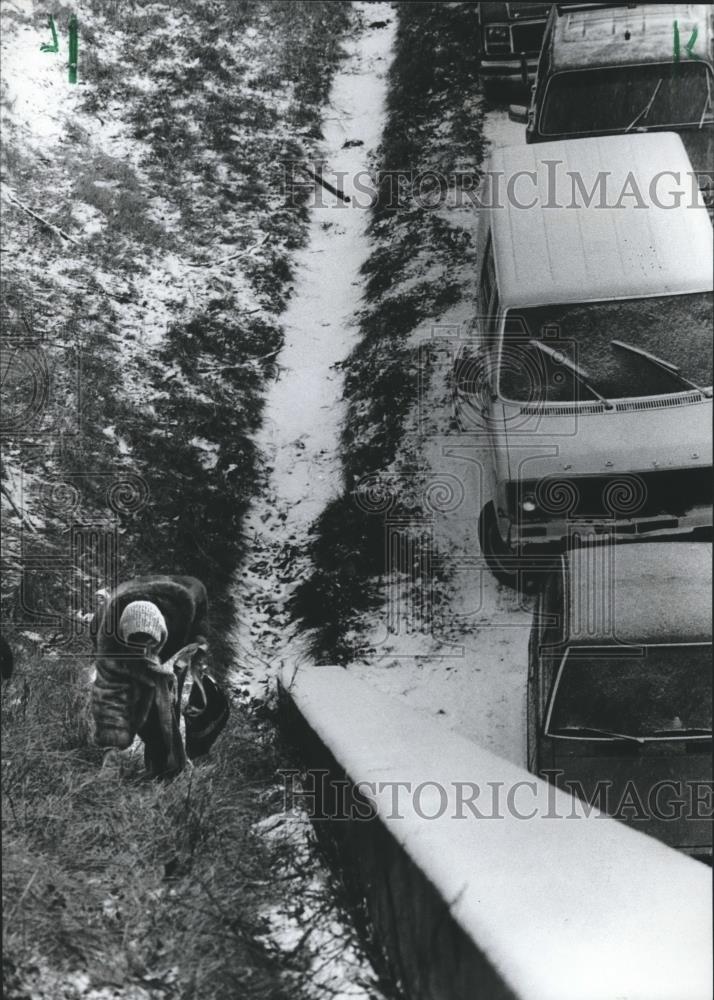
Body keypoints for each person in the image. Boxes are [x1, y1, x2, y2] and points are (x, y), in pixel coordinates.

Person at [90, 575, 228, 778]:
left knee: (175, 700)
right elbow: (109, 697)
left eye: (148, 644)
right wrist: (113, 749)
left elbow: (198, 628)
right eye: (137, 646)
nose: (144, 651)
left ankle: (178, 760)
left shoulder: (188, 603)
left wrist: (195, 647)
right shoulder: (106, 635)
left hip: (175, 641)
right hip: (120, 638)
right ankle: (159, 766)